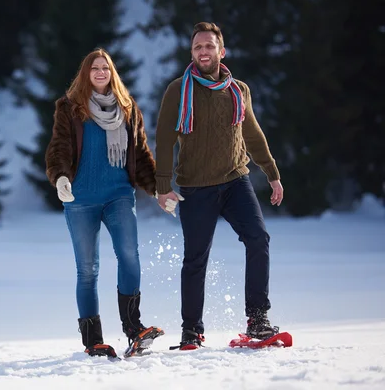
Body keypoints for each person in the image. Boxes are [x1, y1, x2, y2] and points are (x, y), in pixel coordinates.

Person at [154, 22, 285, 350]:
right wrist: (162, 185)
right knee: (196, 258)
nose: (203, 51)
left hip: (235, 179)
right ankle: (191, 331)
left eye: (209, 46)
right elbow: (164, 139)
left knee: (259, 240)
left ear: (221, 51)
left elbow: (252, 133)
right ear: (192, 53)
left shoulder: (237, 89)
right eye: (198, 46)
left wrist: (271, 172)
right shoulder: (178, 91)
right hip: (195, 187)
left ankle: (257, 321)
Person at [45, 48, 164, 358]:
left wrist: (158, 190)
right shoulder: (70, 108)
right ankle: (93, 341)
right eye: (95, 68)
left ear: (112, 73)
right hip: (80, 199)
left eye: (106, 68)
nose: (100, 72)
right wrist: (60, 178)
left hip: (119, 195)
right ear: (86, 73)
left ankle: (134, 329)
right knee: (88, 270)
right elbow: (58, 149)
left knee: (129, 255)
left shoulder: (127, 108)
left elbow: (140, 154)